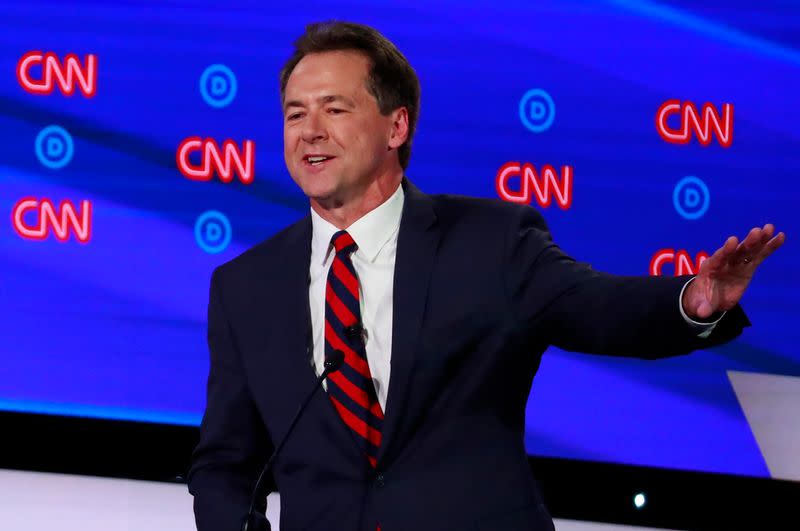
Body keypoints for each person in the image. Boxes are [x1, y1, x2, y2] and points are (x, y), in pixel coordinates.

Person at [187, 21, 785, 531]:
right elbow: (225, 464)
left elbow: (596, 307)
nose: (308, 131)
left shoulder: (488, 244)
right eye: (296, 113)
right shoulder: (246, 287)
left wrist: (694, 301)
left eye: (334, 109)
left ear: (397, 128)